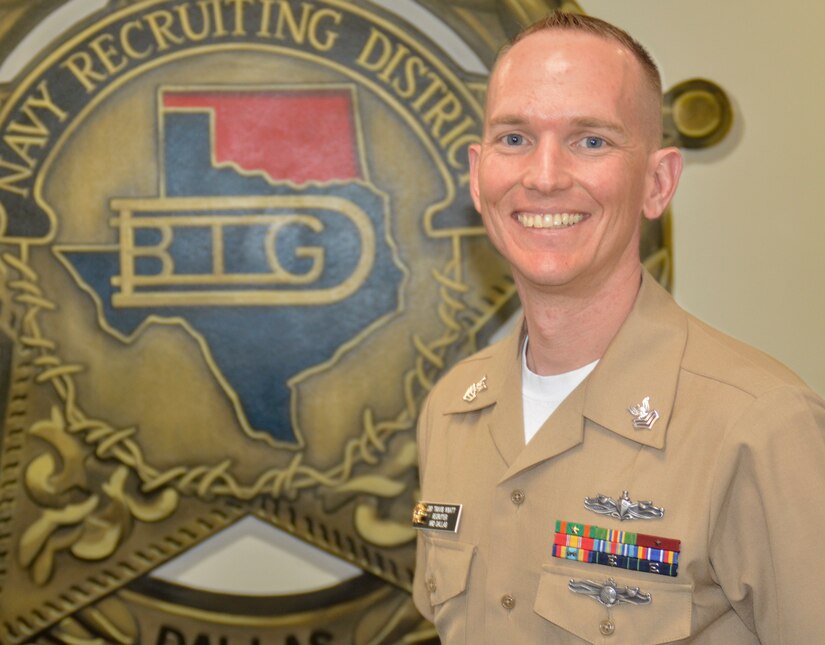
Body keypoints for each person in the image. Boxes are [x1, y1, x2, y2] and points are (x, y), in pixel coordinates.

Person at [412, 10, 825, 644]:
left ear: (657, 183)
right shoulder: (450, 412)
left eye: (591, 140)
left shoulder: (760, 425)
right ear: (477, 172)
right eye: (514, 138)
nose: (543, 176)